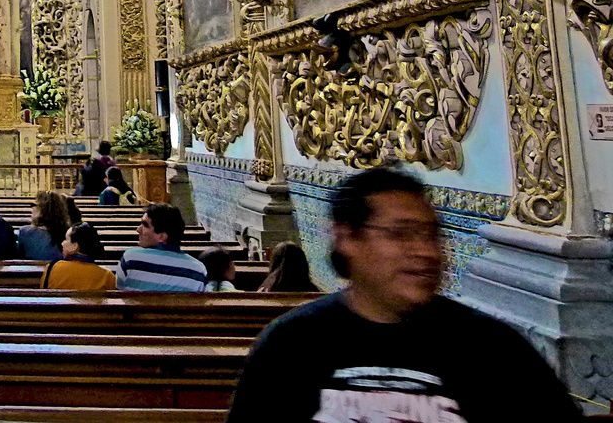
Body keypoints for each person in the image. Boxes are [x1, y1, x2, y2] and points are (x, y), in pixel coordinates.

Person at [226, 168, 582, 422]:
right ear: (347, 238)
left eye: (431, 235)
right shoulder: (291, 345)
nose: (426, 251)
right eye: (401, 234)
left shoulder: (493, 349)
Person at [115, 202, 207, 291]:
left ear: (162, 237)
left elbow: (119, 294)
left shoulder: (131, 259)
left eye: (145, 225)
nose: (138, 229)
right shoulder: (198, 270)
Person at [42, 222, 117, 290]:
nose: (62, 243)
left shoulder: (52, 268)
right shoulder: (107, 277)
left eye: (66, 239)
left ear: (75, 246)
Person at [18, 190, 72, 261]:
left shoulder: (25, 232)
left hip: (31, 271)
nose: (32, 209)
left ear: (40, 209)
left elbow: (18, 258)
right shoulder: (69, 233)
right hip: (59, 271)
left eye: (33, 205)